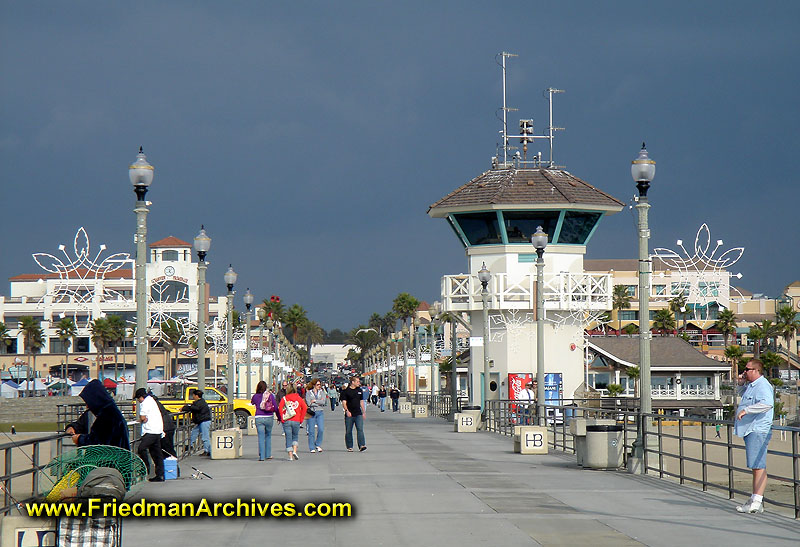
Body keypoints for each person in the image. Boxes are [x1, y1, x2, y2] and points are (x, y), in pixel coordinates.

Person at [734, 358, 774, 514]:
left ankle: (756, 501)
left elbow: (767, 403)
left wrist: (747, 410)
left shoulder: (763, 385)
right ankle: (755, 499)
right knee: (755, 466)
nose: (745, 371)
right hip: (749, 430)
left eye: (748, 369)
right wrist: (741, 383)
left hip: (757, 430)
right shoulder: (751, 386)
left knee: (758, 465)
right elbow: (743, 395)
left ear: (757, 370)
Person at [65, 379, 129, 450]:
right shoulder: (103, 411)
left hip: (111, 458)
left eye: (88, 402)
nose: (87, 406)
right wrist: (72, 427)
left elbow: (99, 442)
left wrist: (80, 439)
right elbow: (81, 423)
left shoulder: (109, 416)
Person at [135, 388, 165, 482]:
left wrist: (140, 420)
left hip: (150, 431)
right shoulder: (151, 400)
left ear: (141, 397)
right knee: (156, 453)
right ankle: (160, 475)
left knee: (141, 448)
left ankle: (146, 468)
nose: (138, 401)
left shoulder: (144, 403)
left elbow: (143, 418)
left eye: (138, 399)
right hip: (158, 430)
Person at [278, 384, 307, 461]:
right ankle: (294, 451)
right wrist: (301, 418)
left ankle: (290, 456)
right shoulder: (298, 398)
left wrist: (282, 418)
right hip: (296, 420)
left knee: (288, 438)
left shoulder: (285, 398)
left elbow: (280, 408)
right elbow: (304, 408)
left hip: (287, 420)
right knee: (295, 436)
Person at [251, 381, 277, 461]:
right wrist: (279, 417)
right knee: (268, 435)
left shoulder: (255, 396)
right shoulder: (270, 395)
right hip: (269, 417)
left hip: (259, 417)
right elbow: (275, 407)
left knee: (261, 437)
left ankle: (262, 456)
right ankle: (268, 454)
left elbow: (252, 403)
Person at [181, 389, 212, 456]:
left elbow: (194, 408)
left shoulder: (199, 403)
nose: (193, 396)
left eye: (193, 395)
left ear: (196, 395)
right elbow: (193, 408)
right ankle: (190, 445)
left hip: (203, 421)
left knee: (205, 437)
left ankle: (207, 451)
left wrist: (184, 408)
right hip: (201, 421)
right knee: (194, 433)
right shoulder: (201, 402)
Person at [341, 376, 366, 452]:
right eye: (357, 382)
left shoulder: (359, 391)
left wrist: (364, 412)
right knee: (349, 430)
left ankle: (362, 445)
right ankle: (349, 446)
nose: (359, 383)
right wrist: (347, 411)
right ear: (353, 382)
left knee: (360, 429)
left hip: (358, 413)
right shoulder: (346, 391)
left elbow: (361, 401)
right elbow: (344, 402)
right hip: (349, 414)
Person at [305, 378, 328, 453]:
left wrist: (315, 401)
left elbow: (324, 402)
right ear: (314, 385)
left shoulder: (322, 392)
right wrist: (318, 402)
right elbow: (309, 403)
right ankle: (311, 447)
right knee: (311, 431)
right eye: (318, 384)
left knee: (321, 429)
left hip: (320, 412)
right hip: (311, 412)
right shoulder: (309, 393)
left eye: (320, 384)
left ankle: (318, 444)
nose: (319, 386)